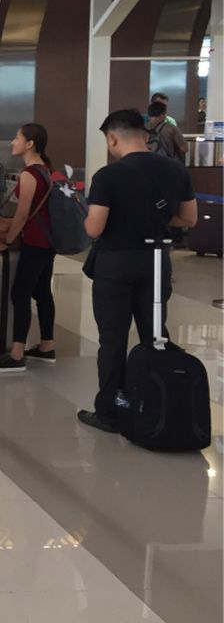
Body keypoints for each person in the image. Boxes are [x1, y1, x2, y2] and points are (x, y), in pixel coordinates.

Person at [77, 109, 197, 434]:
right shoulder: (175, 170)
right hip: (156, 260)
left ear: (113, 138)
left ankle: (110, 412)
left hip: (115, 263)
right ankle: (156, 403)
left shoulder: (108, 176)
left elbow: (94, 228)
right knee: (156, 335)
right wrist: (152, 220)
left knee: (112, 339)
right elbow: (189, 219)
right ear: (145, 135)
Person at [0, 124, 59, 373]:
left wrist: (8, 239)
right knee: (42, 292)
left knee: (20, 293)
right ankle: (46, 346)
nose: (12, 142)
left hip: (35, 241)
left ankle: (17, 353)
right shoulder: (46, 170)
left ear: (30, 144)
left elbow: (22, 213)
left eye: (17, 138)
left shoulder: (29, 175)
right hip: (48, 240)